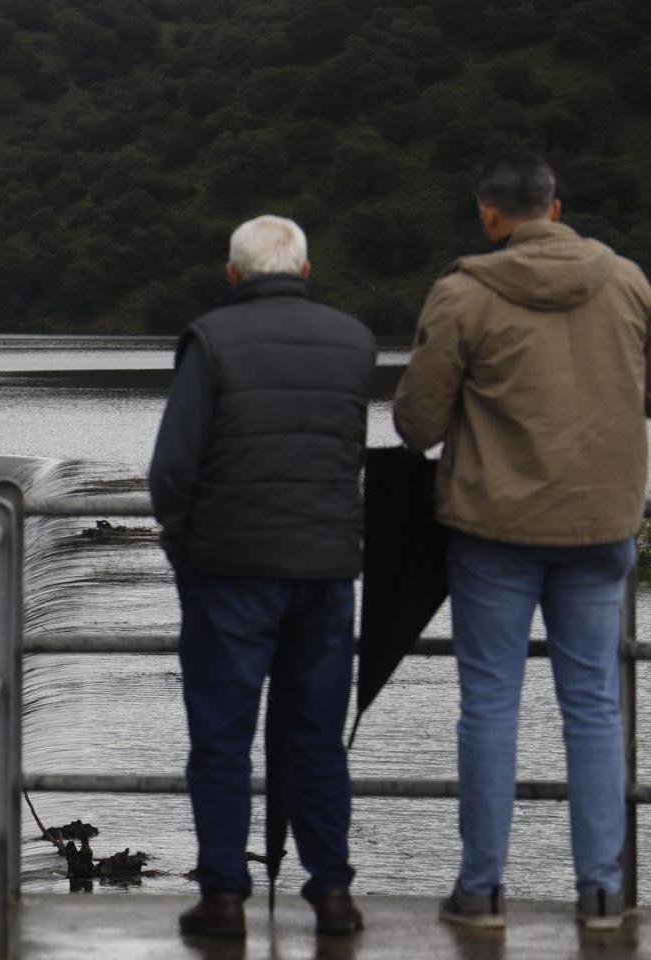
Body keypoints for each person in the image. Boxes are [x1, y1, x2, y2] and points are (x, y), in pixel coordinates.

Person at [394, 152, 651, 931]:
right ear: (558, 208)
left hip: (494, 530)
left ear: (489, 216)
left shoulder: (464, 294)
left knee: (490, 707)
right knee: (595, 708)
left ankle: (482, 893)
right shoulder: (630, 283)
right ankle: (602, 894)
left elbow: (417, 424)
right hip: (602, 525)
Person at [150, 215, 376, 939]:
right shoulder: (355, 342)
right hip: (327, 573)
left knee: (222, 736)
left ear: (233, 275)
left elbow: (173, 471)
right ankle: (333, 894)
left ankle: (224, 898)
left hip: (230, 571)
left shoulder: (211, 341)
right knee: (316, 734)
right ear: (306, 272)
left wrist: (187, 551)